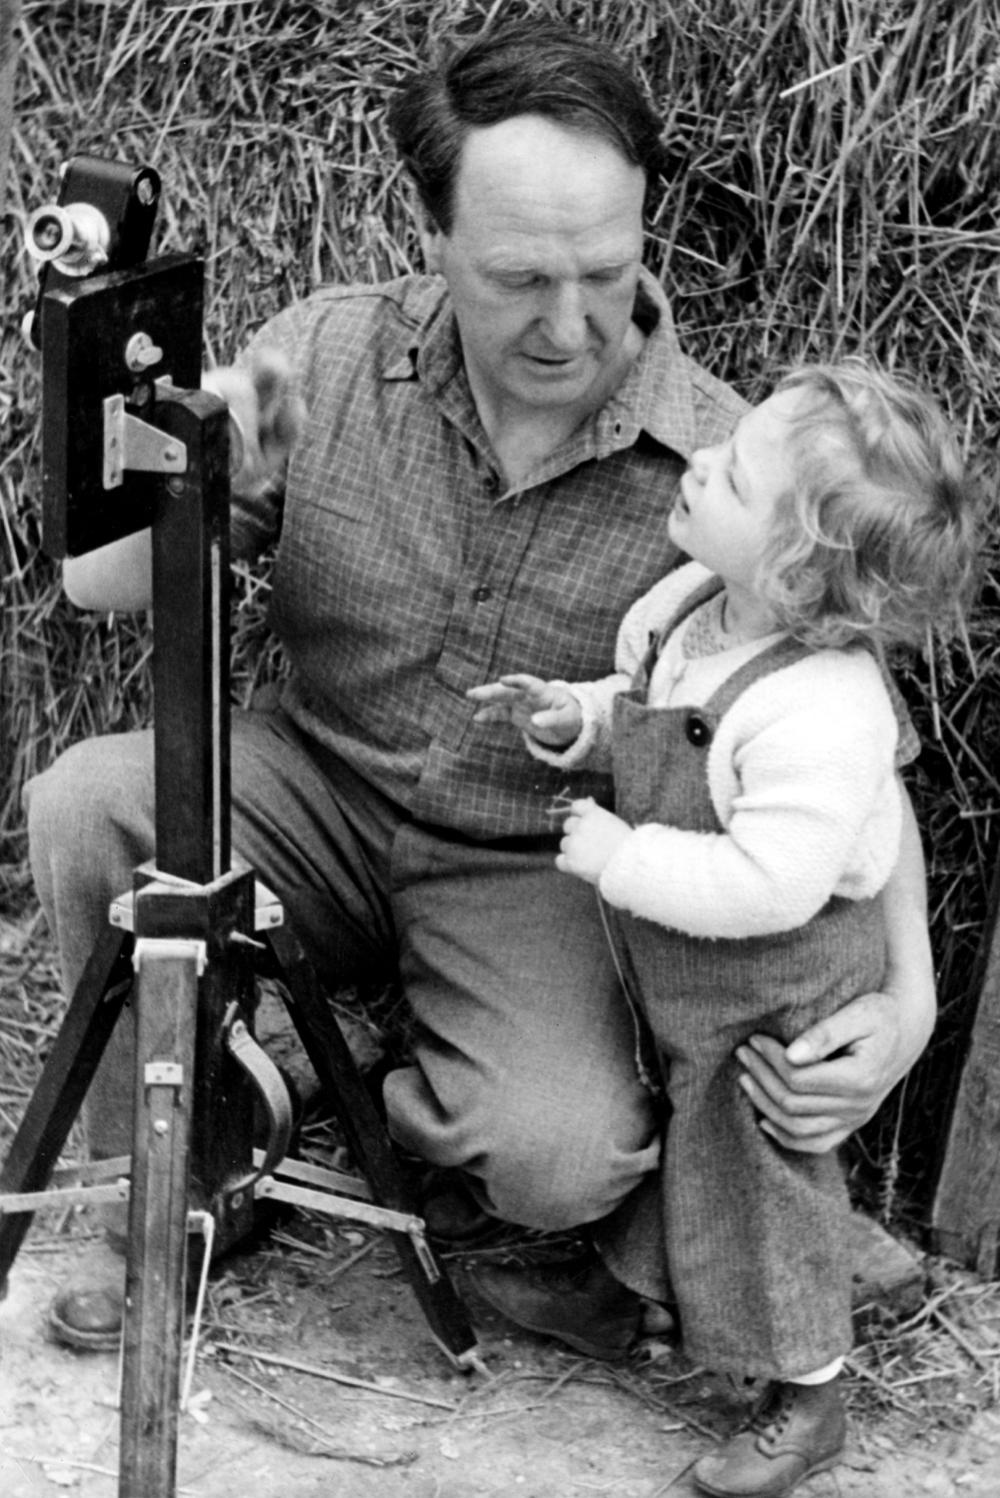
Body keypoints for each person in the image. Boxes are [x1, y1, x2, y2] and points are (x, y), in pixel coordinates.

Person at [25, 18, 935, 1369]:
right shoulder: (321, 359)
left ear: (647, 233)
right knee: (88, 799)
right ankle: (189, 1178)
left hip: (539, 858)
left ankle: (353, 1079)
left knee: (558, 1158)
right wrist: (109, 387)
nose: (569, 326)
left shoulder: (739, 469)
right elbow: (104, 588)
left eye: (606, 272)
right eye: (518, 277)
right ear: (435, 235)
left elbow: (851, 744)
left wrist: (908, 994)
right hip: (318, 790)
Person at [469, 361, 979, 1496]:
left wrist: (622, 856)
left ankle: (808, 1391)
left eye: (735, 475)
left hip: (773, 984)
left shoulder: (823, 710)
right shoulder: (701, 601)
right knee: (675, 1121)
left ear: (795, 568)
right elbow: (649, 702)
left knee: (757, 1171)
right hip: (687, 956)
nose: (701, 460)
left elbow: (771, 885)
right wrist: (578, 714)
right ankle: (628, 1290)